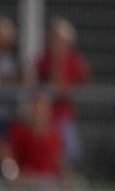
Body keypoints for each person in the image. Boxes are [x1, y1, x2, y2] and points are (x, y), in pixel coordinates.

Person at [35, 18, 88, 164]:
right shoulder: (43, 59)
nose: (56, 42)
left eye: (60, 39)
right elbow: (46, 84)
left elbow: (79, 84)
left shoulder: (75, 60)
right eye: (53, 38)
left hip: (64, 115)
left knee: (69, 153)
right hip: (44, 118)